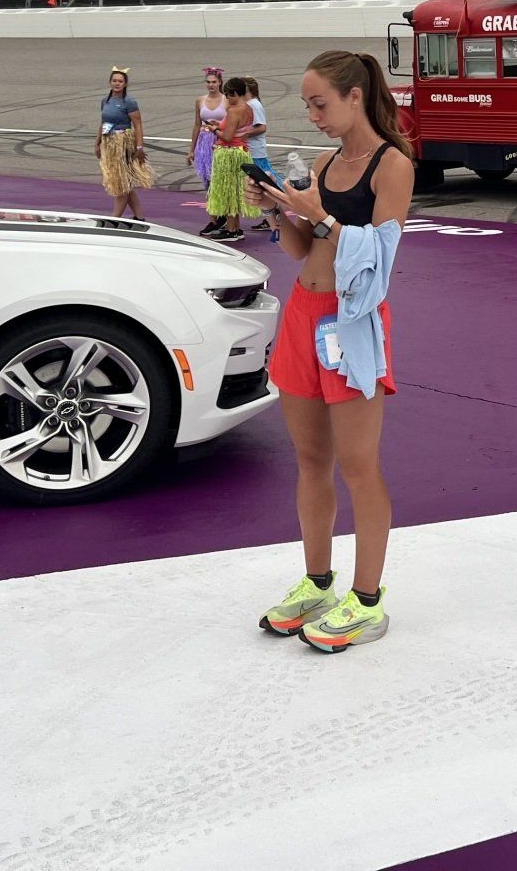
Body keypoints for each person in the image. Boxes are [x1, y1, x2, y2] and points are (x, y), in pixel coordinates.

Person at [248, 50, 412, 655]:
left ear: (354, 97)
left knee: (358, 465)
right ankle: (318, 582)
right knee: (311, 460)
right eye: (308, 105)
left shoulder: (392, 165)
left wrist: (321, 215)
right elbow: (301, 248)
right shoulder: (324, 162)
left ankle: (367, 602)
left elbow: (382, 261)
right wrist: (279, 211)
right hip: (302, 316)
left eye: (320, 103)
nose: (313, 115)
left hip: (352, 323)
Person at [96, 67, 154, 221]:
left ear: (125, 84)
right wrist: (98, 143)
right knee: (123, 181)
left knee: (122, 181)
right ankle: (139, 216)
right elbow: (103, 123)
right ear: (110, 82)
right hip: (109, 144)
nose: (117, 83)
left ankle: (115, 218)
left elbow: (138, 126)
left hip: (123, 144)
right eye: (114, 81)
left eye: (120, 81)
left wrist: (139, 147)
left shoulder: (129, 102)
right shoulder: (105, 101)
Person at [202, 77, 256, 242]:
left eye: (228, 95)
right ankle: (235, 227)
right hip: (241, 151)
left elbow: (227, 136)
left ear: (235, 93)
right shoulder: (248, 108)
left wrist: (214, 129)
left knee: (229, 191)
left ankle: (232, 230)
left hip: (230, 154)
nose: (227, 98)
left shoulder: (234, 111)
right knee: (234, 190)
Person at [188, 67, 227, 234]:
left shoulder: (227, 100)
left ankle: (224, 214)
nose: (211, 85)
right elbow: (197, 125)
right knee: (207, 181)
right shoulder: (200, 100)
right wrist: (192, 149)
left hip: (220, 141)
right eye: (208, 82)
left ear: (220, 82)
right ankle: (213, 218)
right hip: (204, 142)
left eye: (214, 82)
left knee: (220, 180)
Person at [243, 76, 274, 234]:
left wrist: (243, 133)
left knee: (263, 184)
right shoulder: (249, 104)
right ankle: (268, 217)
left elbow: (262, 127)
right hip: (252, 149)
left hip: (256, 151)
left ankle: (272, 215)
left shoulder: (254, 104)